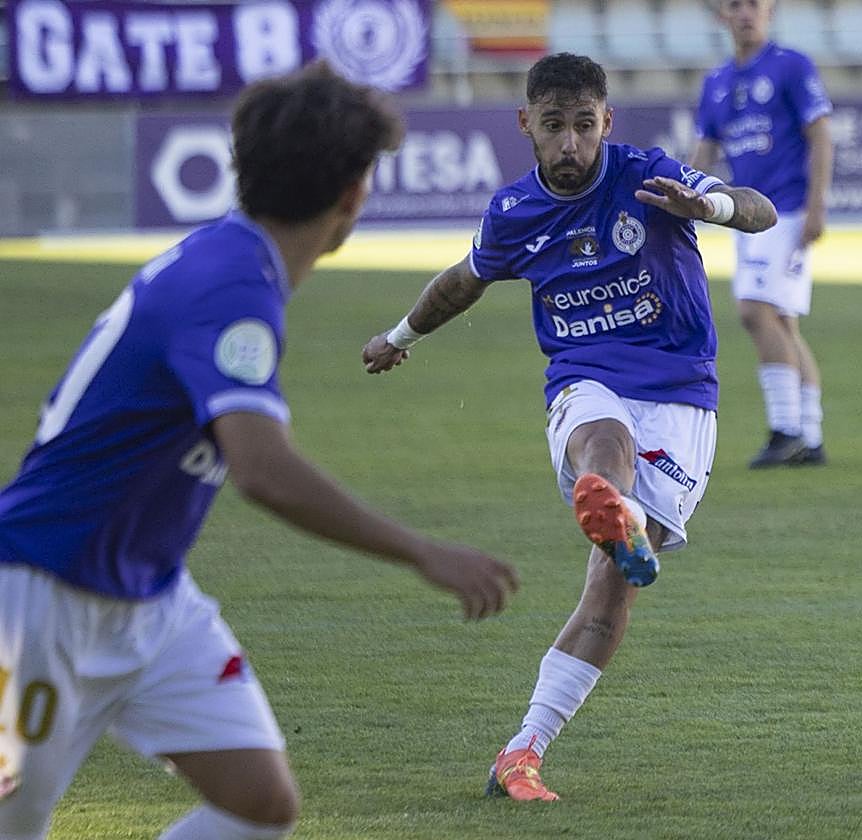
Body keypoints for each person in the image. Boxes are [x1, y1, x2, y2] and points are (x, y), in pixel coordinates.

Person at [0, 62, 518, 840]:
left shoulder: (235, 264)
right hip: (42, 597)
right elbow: (263, 470)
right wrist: (422, 552)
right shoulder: (230, 287)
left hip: (149, 599)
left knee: (260, 803)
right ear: (352, 195)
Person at [361, 52, 776, 801]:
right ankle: (614, 510)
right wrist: (399, 337)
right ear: (527, 124)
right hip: (585, 378)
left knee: (612, 597)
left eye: (585, 126)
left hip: (682, 395)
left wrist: (705, 207)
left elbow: (759, 210)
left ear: (606, 121)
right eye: (554, 127)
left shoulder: (649, 175)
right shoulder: (514, 214)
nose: (571, 145)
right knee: (603, 442)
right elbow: (461, 284)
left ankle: (522, 752)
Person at [691, 0, 834, 468]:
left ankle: (785, 430)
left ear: (770, 11)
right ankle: (809, 438)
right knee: (783, 321)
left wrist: (816, 207)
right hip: (746, 217)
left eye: (754, 4)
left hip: (786, 211)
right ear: (722, 17)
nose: (746, 13)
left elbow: (821, 135)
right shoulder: (716, 83)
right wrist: (682, 201)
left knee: (755, 312)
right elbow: (705, 151)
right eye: (736, 5)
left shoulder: (790, 66)